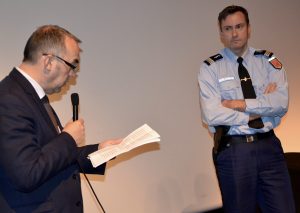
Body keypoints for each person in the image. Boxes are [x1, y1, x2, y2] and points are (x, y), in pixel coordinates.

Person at [0, 25, 121, 212]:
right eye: (72, 65)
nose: (73, 75)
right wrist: (69, 138)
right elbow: (26, 173)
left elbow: (48, 156)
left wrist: (99, 152)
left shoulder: (31, 96)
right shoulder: (9, 99)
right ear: (48, 62)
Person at [198, 5, 295, 213]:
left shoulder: (268, 60)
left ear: (249, 28)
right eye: (228, 28)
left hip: (269, 147)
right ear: (221, 33)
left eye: (239, 26)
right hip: (235, 151)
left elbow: (281, 102)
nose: (234, 33)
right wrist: (261, 107)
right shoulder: (210, 68)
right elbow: (212, 114)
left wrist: (239, 104)